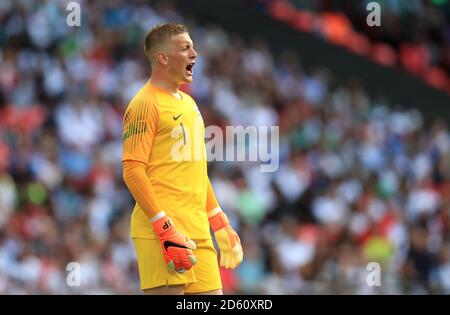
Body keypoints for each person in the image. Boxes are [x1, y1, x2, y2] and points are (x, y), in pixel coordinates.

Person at [122, 23, 243, 295]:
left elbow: (195, 171)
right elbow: (132, 170)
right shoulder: (145, 104)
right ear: (163, 58)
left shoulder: (189, 104)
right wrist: (164, 228)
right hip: (161, 232)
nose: (195, 54)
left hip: (197, 229)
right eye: (186, 48)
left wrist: (218, 220)